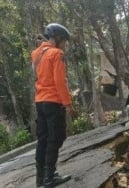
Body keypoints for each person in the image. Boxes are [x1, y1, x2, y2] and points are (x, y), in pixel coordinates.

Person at [31, 23, 74, 188]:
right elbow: (59, 81)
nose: (64, 45)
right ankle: (49, 178)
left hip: (40, 101)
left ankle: (40, 179)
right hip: (53, 101)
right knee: (55, 138)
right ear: (57, 38)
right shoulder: (57, 54)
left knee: (43, 139)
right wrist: (68, 104)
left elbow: (38, 77)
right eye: (64, 41)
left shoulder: (36, 54)